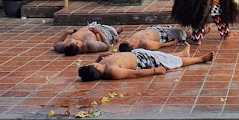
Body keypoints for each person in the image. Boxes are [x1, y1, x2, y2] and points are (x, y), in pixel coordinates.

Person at [78, 43, 214, 81]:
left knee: (162, 55)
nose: (91, 63)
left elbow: (96, 63)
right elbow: (134, 74)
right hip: (143, 62)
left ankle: (183, 53)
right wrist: (155, 71)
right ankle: (201, 59)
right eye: (91, 64)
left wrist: (100, 56)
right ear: (95, 68)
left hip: (136, 54)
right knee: (173, 61)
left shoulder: (101, 64)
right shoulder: (111, 71)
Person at [53, 23, 123, 56]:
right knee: (112, 30)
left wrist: (67, 32)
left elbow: (55, 44)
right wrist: (98, 32)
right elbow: (107, 45)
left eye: (67, 41)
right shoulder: (90, 45)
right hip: (104, 31)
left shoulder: (66, 47)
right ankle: (116, 31)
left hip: (90, 26)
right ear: (77, 43)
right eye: (69, 41)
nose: (67, 40)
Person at [117, 26, 187, 52]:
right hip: (164, 35)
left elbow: (121, 48)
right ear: (134, 47)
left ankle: (169, 28)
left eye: (128, 40)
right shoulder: (146, 43)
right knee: (184, 33)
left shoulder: (132, 40)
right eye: (130, 41)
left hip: (153, 29)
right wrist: (176, 41)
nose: (130, 39)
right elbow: (162, 44)